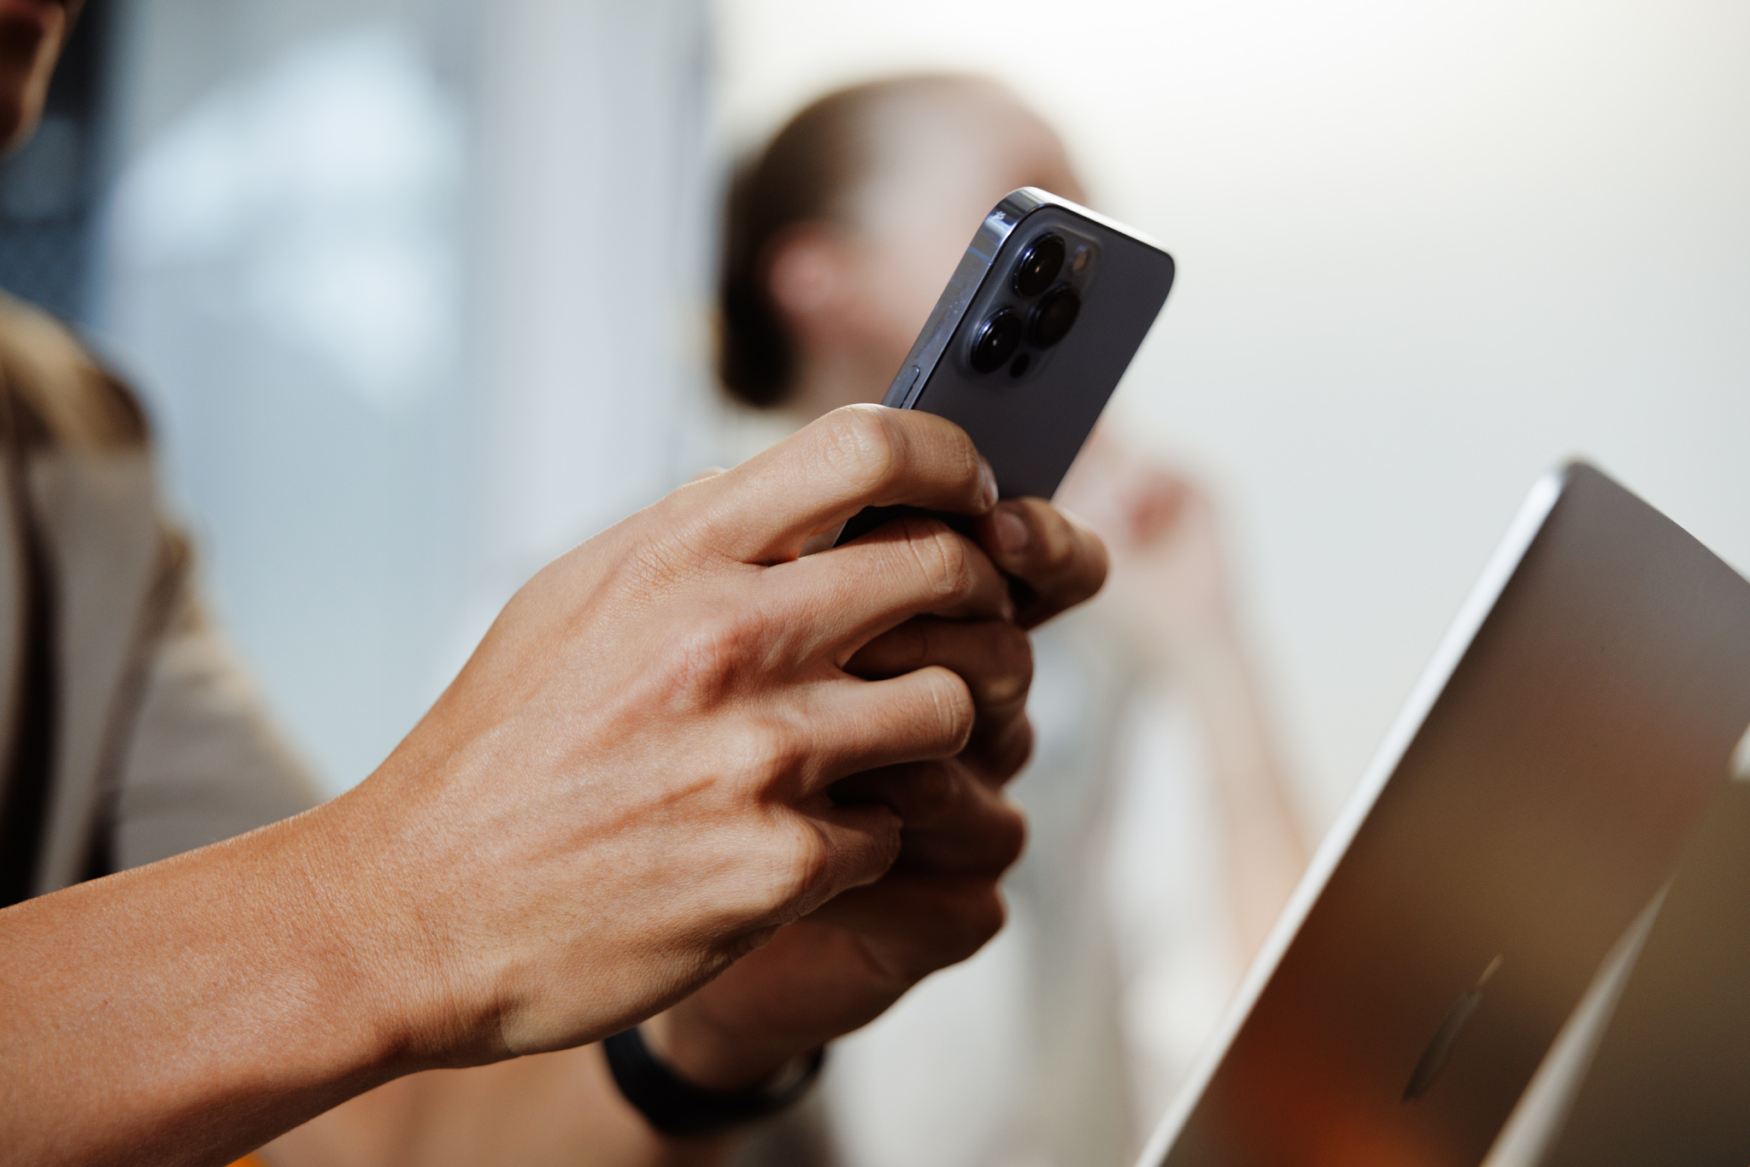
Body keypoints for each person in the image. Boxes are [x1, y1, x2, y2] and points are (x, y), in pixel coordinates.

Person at [0, 8, 1110, 1167]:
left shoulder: (77, 452)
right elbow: (370, 945)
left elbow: (383, 1143)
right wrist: (401, 900)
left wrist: (698, 1042)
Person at [716, 74, 1309, 1165]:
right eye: (1032, 214)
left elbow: (1288, 1041)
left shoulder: (1090, 638)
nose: (1087, 268)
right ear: (819, 281)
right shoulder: (649, 620)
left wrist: (1210, 649)